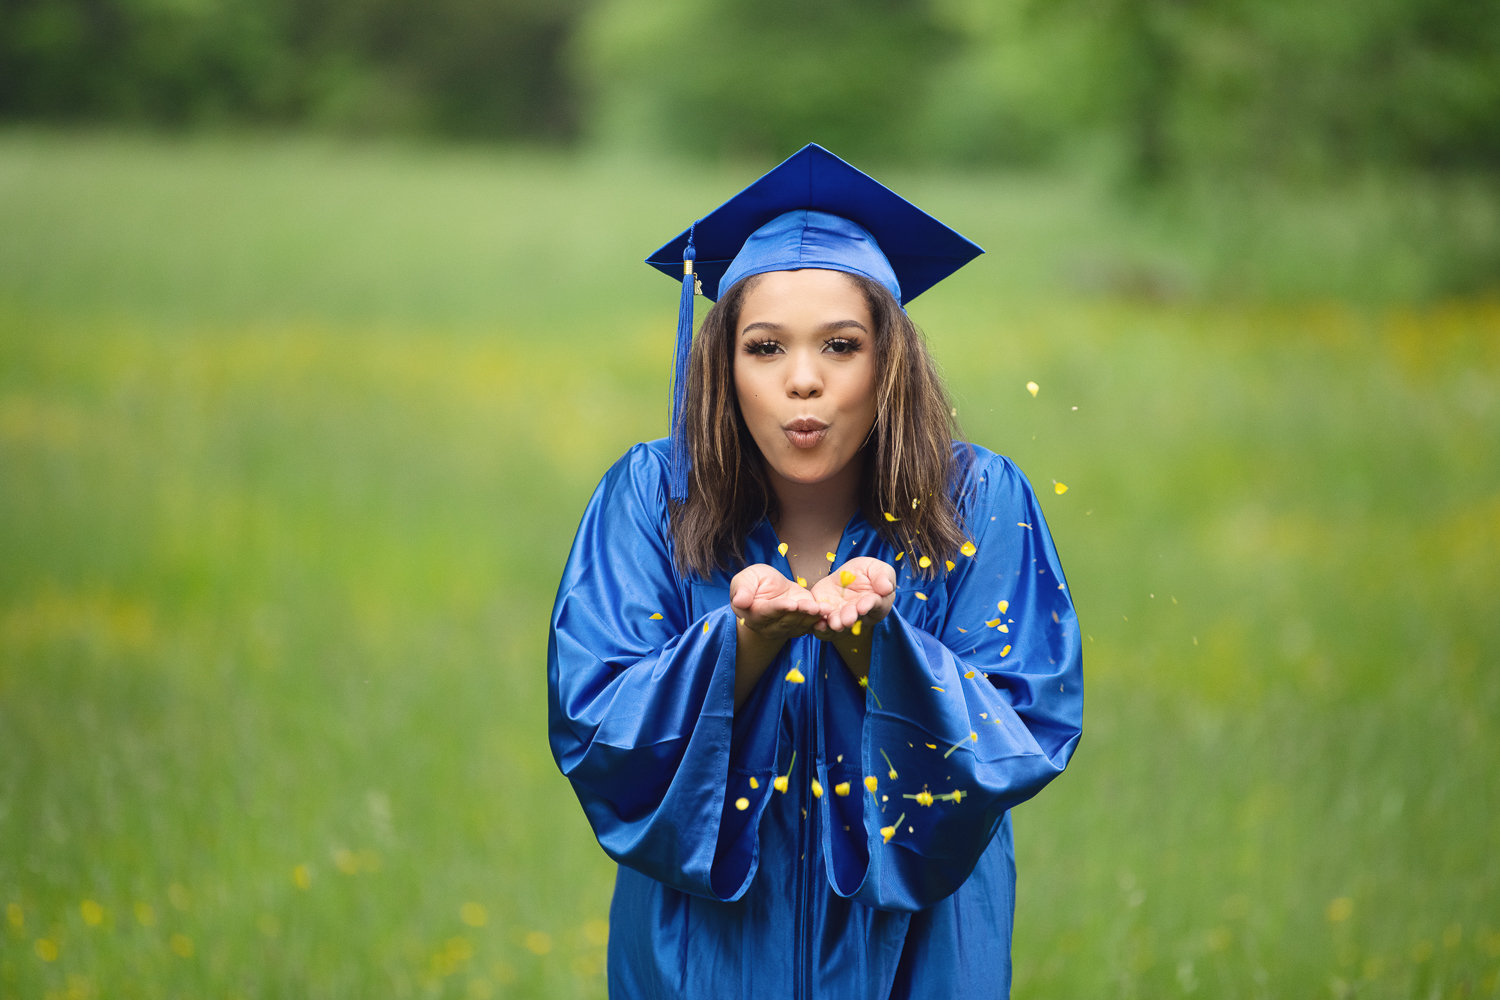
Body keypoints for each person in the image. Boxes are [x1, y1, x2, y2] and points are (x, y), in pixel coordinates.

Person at [548, 144, 1083, 999]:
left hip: (917, 948)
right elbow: (595, 724)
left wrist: (879, 650)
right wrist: (744, 643)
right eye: (765, 348)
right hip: (703, 952)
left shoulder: (978, 501)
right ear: (721, 364)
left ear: (890, 361)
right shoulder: (652, 497)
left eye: (841, 345)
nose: (804, 381)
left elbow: (1026, 723)